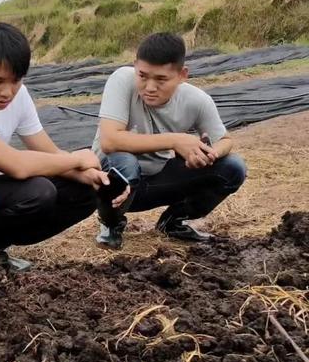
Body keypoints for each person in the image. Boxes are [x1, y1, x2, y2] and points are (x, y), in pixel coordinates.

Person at [0, 22, 128, 288]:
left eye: (16, 81)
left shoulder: (18, 96)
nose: (7, 92)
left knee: (84, 190)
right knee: (37, 191)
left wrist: (91, 176)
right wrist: (77, 158)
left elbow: (48, 152)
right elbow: (17, 165)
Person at [92, 32, 247, 249]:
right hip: (112, 184)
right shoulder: (122, 80)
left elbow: (224, 140)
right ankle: (111, 223)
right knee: (124, 162)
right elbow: (110, 141)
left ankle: (173, 222)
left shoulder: (197, 100)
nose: (150, 87)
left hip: (157, 180)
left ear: (183, 74)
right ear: (135, 66)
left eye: (161, 79)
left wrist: (208, 154)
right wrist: (175, 141)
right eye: (143, 75)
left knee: (233, 167)